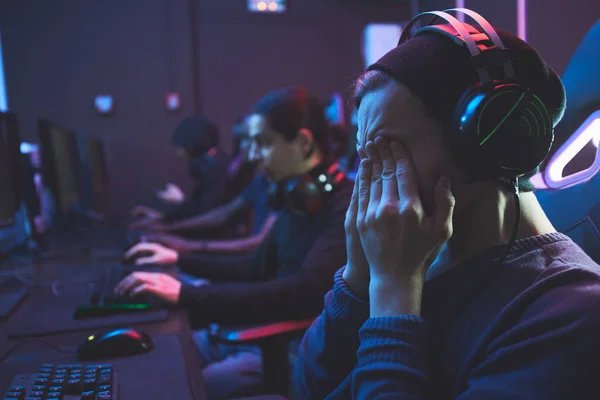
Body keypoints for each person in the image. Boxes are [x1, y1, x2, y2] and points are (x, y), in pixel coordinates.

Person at [294, 9, 600, 399]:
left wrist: (394, 295)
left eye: (390, 149)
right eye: (363, 156)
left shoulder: (570, 317)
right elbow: (308, 389)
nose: (368, 180)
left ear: (490, 141)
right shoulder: (416, 257)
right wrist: (356, 279)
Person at [115, 87, 353, 399]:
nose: (252, 157)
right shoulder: (297, 198)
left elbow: (303, 292)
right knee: (152, 354)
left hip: (286, 347)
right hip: (253, 329)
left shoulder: (343, 206)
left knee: (174, 387)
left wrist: (186, 293)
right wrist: (176, 260)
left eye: (264, 144)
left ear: (304, 143)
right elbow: (254, 266)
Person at [129, 172, 278, 255]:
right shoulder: (261, 181)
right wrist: (168, 227)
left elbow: (258, 243)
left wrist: (190, 246)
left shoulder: (287, 189)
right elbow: (221, 214)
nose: (253, 154)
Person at [129, 114, 231, 232]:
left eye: (182, 148)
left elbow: (206, 215)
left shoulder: (216, 171)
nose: (179, 154)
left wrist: (177, 206)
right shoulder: (213, 166)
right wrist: (162, 216)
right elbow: (200, 209)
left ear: (194, 146)